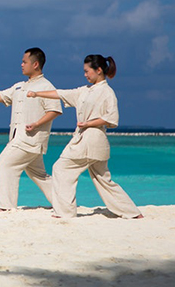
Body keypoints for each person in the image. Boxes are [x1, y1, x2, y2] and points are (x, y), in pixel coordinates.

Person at [27, 54, 143, 219]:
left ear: (99, 70)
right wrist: (37, 94)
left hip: (90, 140)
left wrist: (89, 123)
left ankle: (65, 212)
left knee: (61, 168)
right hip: (91, 142)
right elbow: (61, 93)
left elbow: (111, 119)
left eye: (87, 71)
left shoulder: (107, 92)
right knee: (103, 179)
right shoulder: (85, 90)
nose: (85, 74)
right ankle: (132, 213)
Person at [0, 48, 62, 212]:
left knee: (3, 164)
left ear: (35, 64)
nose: (21, 64)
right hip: (19, 138)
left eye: (24, 62)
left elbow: (54, 110)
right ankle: (63, 202)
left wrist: (37, 124)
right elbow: (0, 95)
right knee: (38, 175)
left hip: (30, 139)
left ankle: (5, 206)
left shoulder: (46, 86)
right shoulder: (19, 86)